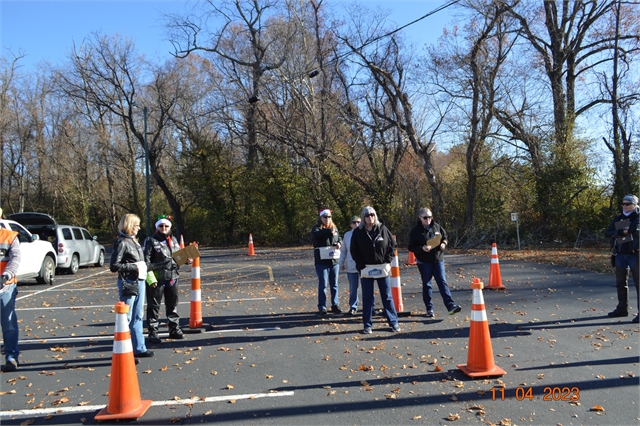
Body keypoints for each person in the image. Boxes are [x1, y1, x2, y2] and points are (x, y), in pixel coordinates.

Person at [350, 206, 401, 334]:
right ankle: (367, 324)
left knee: (387, 296)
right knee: (367, 298)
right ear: (363, 218)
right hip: (366, 268)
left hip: (382, 268)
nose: (370, 217)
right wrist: (360, 264)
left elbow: (393, 245)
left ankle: (393, 322)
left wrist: (388, 260)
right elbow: (353, 250)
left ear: (375, 216)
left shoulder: (383, 229)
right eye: (367, 215)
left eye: (372, 215)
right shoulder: (358, 232)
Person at [110, 214, 153, 358]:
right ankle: (124, 352)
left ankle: (139, 348)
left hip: (139, 281)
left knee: (138, 316)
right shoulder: (122, 242)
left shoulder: (134, 242)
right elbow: (114, 266)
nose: (139, 228)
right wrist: (134, 267)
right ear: (129, 225)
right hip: (128, 282)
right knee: (126, 318)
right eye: (136, 225)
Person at [408, 207, 461, 318]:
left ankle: (451, 306)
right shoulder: (415, 231)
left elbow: (445, 237)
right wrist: (422, 248)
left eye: (430, 217)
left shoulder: (437, 227)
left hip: (438, 260)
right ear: (420, 218)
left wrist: (444, 244)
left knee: (442, 282)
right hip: (424, 261)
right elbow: (411, 247)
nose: (428, 220)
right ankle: (429, 308)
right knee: (427, 285)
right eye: (425, 218)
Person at [143, 217, 190, 342]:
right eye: (161, 226)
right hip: (157, 279)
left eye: (166, 226)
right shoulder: (150, 241)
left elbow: (177, 257)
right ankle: (153, 332)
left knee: (172, 305)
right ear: (156, 227)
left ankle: (174, 329)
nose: (163, 228)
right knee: (154, 306)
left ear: (170, 227)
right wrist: (151, 278)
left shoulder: (174, 240)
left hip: (172, 277)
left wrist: (186, 260)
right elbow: (145, 263)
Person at [605, 194, 639, 323]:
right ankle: (622, 309)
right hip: (620, 253)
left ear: (634, 205)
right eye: (623, 204)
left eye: (628, 204)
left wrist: (630, 230)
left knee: (638, 283)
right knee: (620, 282)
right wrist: (620, 232)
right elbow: (608, 232)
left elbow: (637, 231)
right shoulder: (618, 218)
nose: (625, 206)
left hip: (635, 253)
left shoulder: (638, 216)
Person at [0, 208, 21, 372]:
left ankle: (11, 358)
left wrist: (6, 275)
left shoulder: (9, 236)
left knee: (8, 324)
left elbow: (15, 258)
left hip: (5, 287)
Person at [312, 209, 342, 315]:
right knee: (323, 284)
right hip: (321, 261)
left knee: (334, 284)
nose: (327, 219)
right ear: (321, 218)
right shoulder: (316, 228)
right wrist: (328, 231)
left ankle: (335, 305)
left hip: (334, 260)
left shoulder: (335, 228)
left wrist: (339, 243)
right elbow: (316, 235)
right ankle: (322, 306)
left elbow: (339, 239)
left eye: (329, 217)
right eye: (325, 217)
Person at [339, 215, 361, 315]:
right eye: (354, 222)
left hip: (364, 265)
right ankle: (353, 306)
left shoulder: (365, 233)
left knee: (367, 287)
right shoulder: (347, 235)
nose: (356, 224)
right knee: (353, 288)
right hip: (351, 265)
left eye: (358, 222)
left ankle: (370, 307)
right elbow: (343, 250)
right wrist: (341, 262)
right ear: (350, 224)